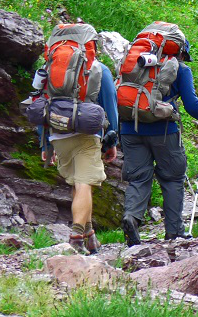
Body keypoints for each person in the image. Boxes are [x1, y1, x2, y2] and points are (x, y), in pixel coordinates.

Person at [120, 37, 198, 246]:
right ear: (181, 52)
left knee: (138, 178)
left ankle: (132, 217)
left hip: (130, 128)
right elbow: (191, 104)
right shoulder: (180, 69)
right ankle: (174, 232)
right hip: (164, 131)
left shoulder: (136, 63)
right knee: (172, 178)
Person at [45, 61, 118, 255]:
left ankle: (90, 235)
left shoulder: (53, 65)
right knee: (85, 183)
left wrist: (45, 143)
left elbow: (41, 101)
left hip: (57, 131)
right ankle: (77, 237)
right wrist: (112, 139)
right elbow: (110, 101)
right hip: (87, 134)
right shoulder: (98, 68)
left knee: (78, 184)